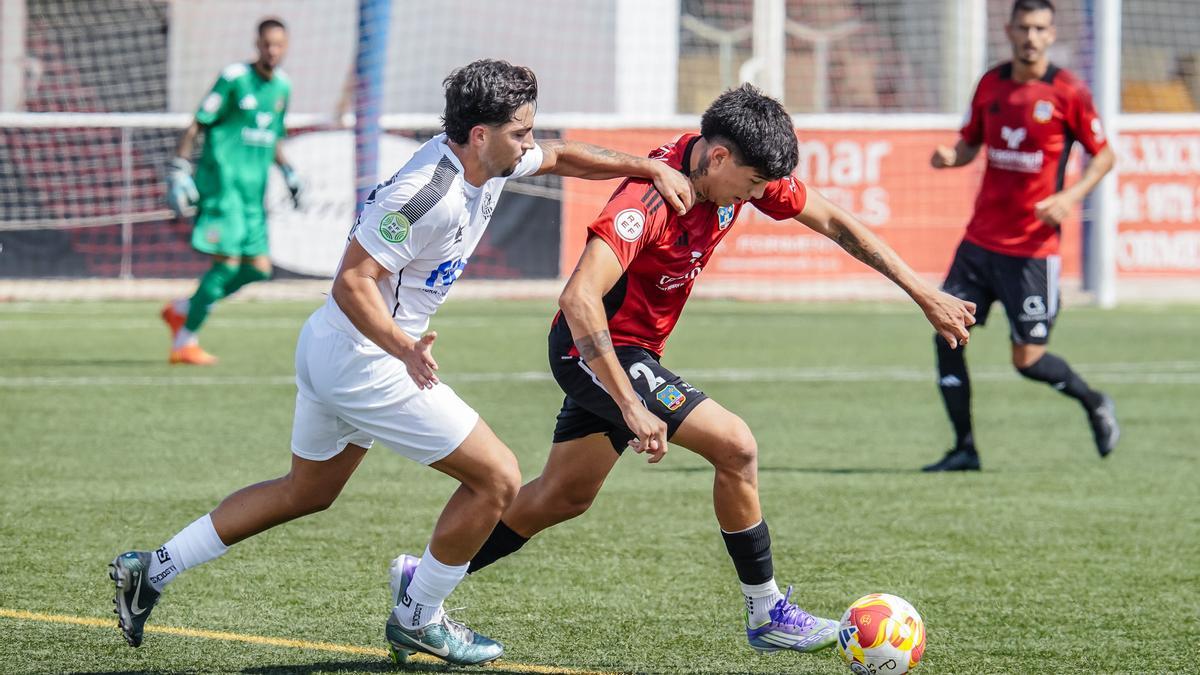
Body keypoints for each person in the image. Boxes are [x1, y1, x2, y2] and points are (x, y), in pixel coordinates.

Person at [110, 59, 693, 666]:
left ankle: (153, 569)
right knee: (496, 478)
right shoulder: (424, 193)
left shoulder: (494, 157)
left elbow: (563, 156)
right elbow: (352, 283)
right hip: (365, 358)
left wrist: (647, 165)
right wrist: (403, 348)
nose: (529, 144)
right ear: (479, 135)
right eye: (519, 132)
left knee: (305, 491)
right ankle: (419, 616)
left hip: (335, 350)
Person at [445, 83, 975, 658]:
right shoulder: (646, 202)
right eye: (751, 184)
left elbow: (835, 222)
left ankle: (424, 580)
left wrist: (922, 292)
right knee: (736, 447)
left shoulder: (736, 176)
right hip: (596, 352)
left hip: (636, 353)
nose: (756, 195)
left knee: (562, 497)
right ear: (718, 157)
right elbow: (578, 300)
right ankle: (767, 611)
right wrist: (629, 403)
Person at [922, 0, 1119, 472]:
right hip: (978, 243)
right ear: (1009, 30)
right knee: (947, 334)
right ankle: (964, 448)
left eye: (1040, 28)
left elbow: (1105, 155)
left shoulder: (1068, 90)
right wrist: (952, 157)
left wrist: (1071, 197)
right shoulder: (991, 83)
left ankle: (1093, 401)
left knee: (1028, 360)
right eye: (1024, 27)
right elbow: (971, 144)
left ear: (1051, 34)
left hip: (1032, 251)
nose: (1031, 36)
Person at [160, 18, 304, 365]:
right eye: (266, 44)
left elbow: (272, 136)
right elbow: (198, 122)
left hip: (253, 196)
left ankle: (183, 309)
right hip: (223, 189)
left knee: (258, 269)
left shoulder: (283, 86)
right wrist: (179, 168)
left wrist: (288, 170)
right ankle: (184, 341)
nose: (272, 50)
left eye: (278, 45)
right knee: (225, 266)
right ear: (257, 44)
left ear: (286, 46)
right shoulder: (235, 78)